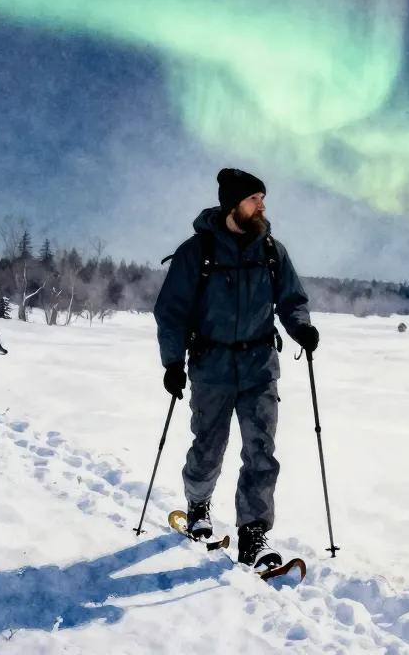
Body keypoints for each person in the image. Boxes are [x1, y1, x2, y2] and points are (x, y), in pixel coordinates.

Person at [153, 168, 319, 571]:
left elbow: (292, 299)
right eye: (254, 199)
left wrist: (301, 328)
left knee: (261, 452)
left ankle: (254, 535)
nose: (261, 205)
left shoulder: (271, 251)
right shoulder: (198, 251)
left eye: (262, 198)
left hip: (260, 365)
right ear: (233, 205)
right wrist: (173, 363)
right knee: (208, 448)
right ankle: (198, 505)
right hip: (211, 366)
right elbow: (172, 311)